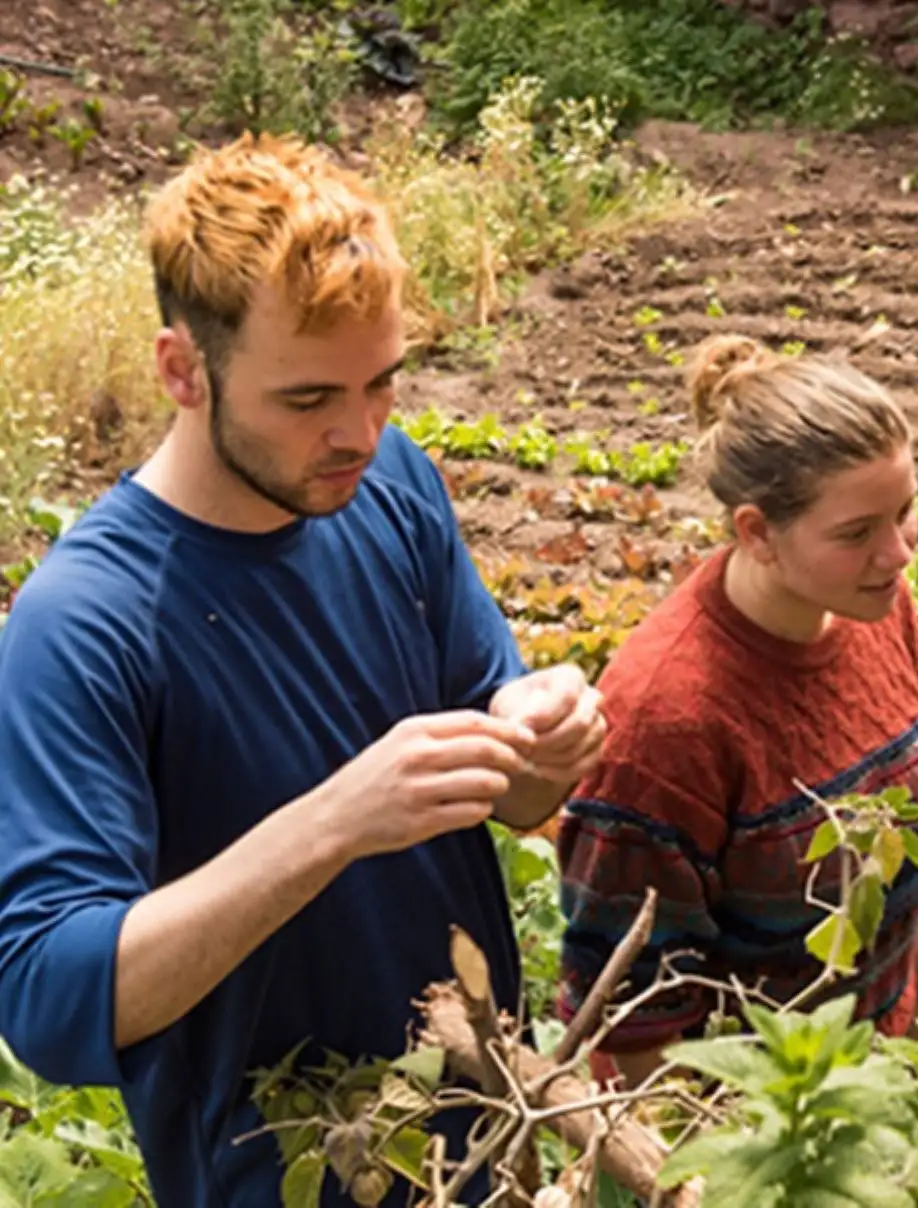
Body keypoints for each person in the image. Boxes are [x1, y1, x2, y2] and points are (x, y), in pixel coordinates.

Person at [0, 133, 611, 1206]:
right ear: (182, 370)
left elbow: (516, 796)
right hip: (275, 1173)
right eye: (307, 398)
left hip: (481, 1136)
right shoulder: (86, 622)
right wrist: (335, 821)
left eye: (382, 383)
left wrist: (541, 733)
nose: (359, 432)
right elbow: (51, 997)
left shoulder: (390, 486)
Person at [554, 334, 918, 1087]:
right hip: (759, 1121)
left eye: (904, 512)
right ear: (757, 533)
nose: (900, 554)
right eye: (856, 533)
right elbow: (631, 1019)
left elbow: (889, 857)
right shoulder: (668, 723)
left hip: (883, 1086)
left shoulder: (876, 607)